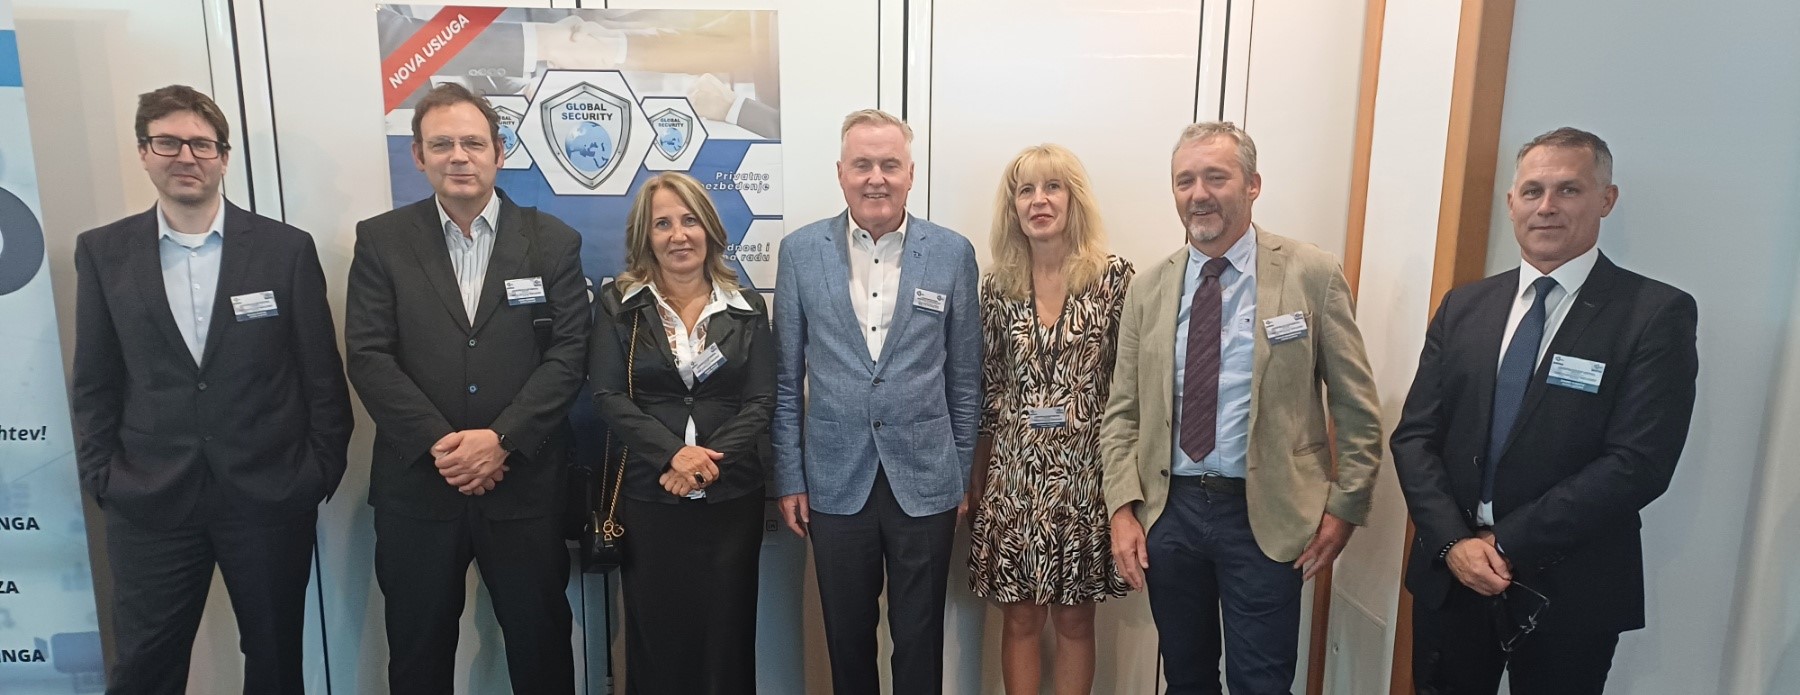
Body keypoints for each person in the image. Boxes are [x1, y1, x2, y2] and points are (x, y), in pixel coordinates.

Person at [1392, 127, 1698, 694]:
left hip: (1572, 588)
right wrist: (1454, 543)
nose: (1547, 206)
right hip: (1452, 577)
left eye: (1569, 190)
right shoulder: (1465, 306)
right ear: (1512, 203)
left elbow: (1639, 462)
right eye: (1532, 191)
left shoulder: (1655, 314)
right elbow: (1414, 437)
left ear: (1606, 199)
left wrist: (1505, 543)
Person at [70, 85, 353, 695]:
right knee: (144, 666)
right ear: (143, 152)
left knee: (275, 663)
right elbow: (94, 380)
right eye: (167, 142)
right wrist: (104, 477)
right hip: (150, 498)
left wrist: (317, 473)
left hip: (269, 495)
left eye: (201, 144)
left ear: (224, 157)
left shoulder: (285, 249)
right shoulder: (103, 252)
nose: (186, 157)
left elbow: (322, 378)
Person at [1099, 121, 1383, 694]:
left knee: (1261, 682)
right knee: (1186, 678)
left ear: (1253, 185)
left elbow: (1356, 406)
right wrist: (1122, 509)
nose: (1198, 194)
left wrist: (1346, 507)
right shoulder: (1148, 288)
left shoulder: (1311, 274)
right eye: (1185, 181)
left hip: (1267, 514)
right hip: (1171, 513)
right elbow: (1123, 412)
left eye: (1216, 177)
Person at [344, 83, 588, 695]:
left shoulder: (553, 241)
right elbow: (369, 356)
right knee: (418, 654)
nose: (459, 156)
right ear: (418, 156)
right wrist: (444, 446)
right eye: (442, 144)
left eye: (474, 143)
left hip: (524, 485)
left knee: (541, 650)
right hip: (419, 489)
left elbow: (569, 356)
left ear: (499, 153)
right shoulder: (381, 240)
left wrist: (501, 440)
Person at [772, 108, 982, 695]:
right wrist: (790, 476)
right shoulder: (800, 252)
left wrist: (958, 472)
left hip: (926, 479)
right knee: (847, 638)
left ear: (911, 173)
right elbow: (785, 381)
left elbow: (966, 380)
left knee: (920, 637)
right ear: (841, 172)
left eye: (890, 164)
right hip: (834, 479)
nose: (876, 178)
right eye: (862, 164)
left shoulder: (951, 253)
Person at [588, 172, 773, 694]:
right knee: (658, 639)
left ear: (709, 228)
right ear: (645, 237)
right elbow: (607, 395)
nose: (678, 235)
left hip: (731, 499)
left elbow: (761, 401)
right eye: (662, 224)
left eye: (689, 220)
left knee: (727, 636)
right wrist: (674, 455)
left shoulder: (746, 306)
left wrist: (704, 464)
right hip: (650, 496)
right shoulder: (620, 304)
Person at [967, 144, 1132, 694]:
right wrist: (978, 476)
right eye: (1026, 190)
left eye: (1052, 187)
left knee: (1075, 620)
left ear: (1073, 198)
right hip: (1014, 477)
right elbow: (990, 388)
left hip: (1086, 475)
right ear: (1012, 206)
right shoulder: (996, 287)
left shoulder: (1112, 280)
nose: (1039, 201)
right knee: (1019, 618)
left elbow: (1127, 388)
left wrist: (1128, 490)